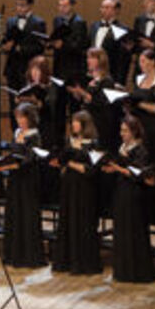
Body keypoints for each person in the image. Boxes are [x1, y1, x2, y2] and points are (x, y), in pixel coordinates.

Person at [103, 115, 155, 283]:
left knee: (134, 229)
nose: (121, 134)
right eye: (121, 130)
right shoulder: (123, 147)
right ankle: (123, 270)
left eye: (125, 130)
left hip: (134, 193)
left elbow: (136, 173)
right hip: (121, 191)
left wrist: (117, 167)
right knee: (122, 229)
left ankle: (137, 271)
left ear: (134, 132)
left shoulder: (140, 150)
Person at [52, 110, 103, 275]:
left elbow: (91, 169)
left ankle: (84, 263)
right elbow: (62, 162)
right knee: (68, 220)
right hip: (69, 186)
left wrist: (71, 164)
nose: (72, 124)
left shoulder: (94, 143)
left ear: (84, 124)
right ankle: (67, 261)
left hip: (85, 188)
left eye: (76, 121)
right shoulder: (69, 141)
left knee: (83, 222)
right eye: (72, 121)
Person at [0, 102, 47, 268]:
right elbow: (14, 153)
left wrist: (16, 164)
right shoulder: (17, 132)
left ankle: (28, 255)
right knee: (14, 212)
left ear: (30, 118)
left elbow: (32, 157)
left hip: (28, 178)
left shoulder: (35, 135)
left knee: (27, 213)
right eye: (17, 117)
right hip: (15, 178)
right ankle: (13, 253)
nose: (19, 121)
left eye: (22, 117)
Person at [66, 47, 121, 150]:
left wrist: (83, 93)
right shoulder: (92, 80)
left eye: (92, 58)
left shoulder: (107, 81)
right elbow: (88, 99)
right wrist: (77, 94)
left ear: (100, 60)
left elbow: (102, 101)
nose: (88, 60)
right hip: (89, 120)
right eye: (88, 57)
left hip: (100, 122)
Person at [0, 0, 48, 92]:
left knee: (27, 99)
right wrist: (5, 46)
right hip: (12, 68)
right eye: (17, 4)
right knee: (13, 100)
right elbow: (5, 40)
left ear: (30, 5)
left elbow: (40, 47)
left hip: (28, 68)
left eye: (22, 5)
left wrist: (21, 49)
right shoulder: (11, 21)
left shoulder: (38, 23)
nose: (19, 8)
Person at [127, 47, 155, 157]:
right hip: (139, 125)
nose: (140, 64)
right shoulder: (139, 79)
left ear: (152, 62)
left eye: (143, 61)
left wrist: (141, 105)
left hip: (154, 127)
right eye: (139, 62)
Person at [89, 0, 135, 82]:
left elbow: (123, 59)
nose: (103, 10)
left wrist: (120, 81)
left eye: (107, 7)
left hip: (111, 75)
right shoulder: (94, 26)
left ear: (116, 10)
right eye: (102, 7)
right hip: (92, 74)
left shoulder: (123, 30)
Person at [49, 0, 90, 85]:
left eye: (65, 6)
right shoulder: (57, 20)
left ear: (72, 6)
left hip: (73, 65)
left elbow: (81, 45)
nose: (61, 8)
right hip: (59, 64)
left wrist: (63, 45)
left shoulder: (79, 22)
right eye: (60, 5)